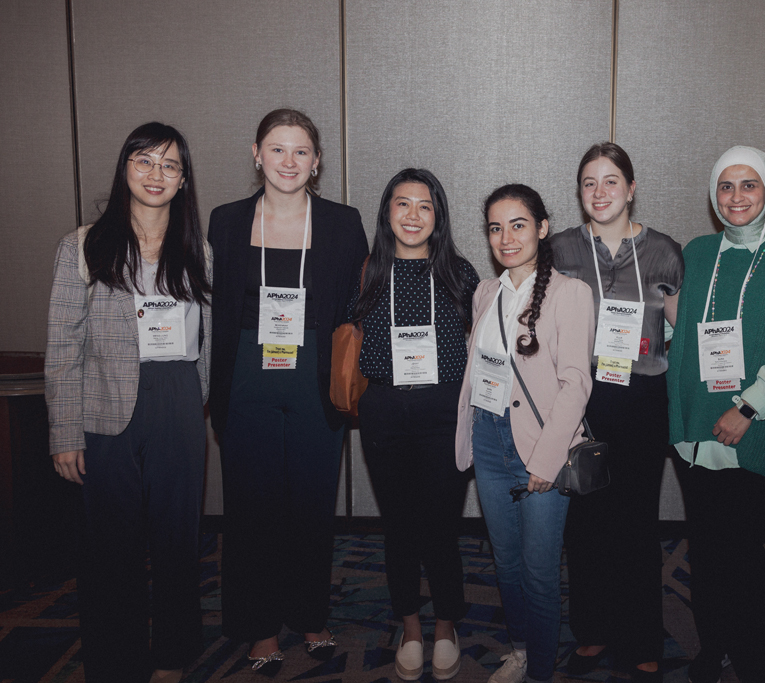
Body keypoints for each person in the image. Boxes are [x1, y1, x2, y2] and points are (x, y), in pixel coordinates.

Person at [45, 122, 211, 683]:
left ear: (184, 179)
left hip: (178, 399)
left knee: (177, 540)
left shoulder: (198, 249)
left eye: (169, 165)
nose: (156, 174)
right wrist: (65, 433)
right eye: (144, 161)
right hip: (106, 405)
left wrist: (195, 401)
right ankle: (114, 662)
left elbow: (207, 338)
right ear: (125, 171)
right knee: (108, 547)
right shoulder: (84, 245)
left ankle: (171, 656)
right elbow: (63, 344)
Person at [207, 109, 368, 669]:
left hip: (314, 374)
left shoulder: (343, 223)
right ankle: (258, 626)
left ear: (317, 161)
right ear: (256, 153)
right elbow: (212, 308)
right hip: (246, 374)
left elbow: (359, 302)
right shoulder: (225, 221)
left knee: (311, 503)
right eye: (277, 149)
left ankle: (309, 614)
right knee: (250, 506)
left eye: (301, 151)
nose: (289, 162)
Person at [665, 146, 765, 683]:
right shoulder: (696, 251)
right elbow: (682, 334)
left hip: (754, 422)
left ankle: (757, 657)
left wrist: (748, 407)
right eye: (726, 187)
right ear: (714, 195)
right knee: (708, 549)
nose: (736, 197)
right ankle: (713, 648)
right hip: (698, 428)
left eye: (749, 185)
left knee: (739, 547)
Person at [551, 142, 684, 682]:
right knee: (584, 522)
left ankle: (640, 635)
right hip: (581, 400)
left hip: (641, 401)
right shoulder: (560, 249)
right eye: (589, 182)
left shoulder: (663, 251)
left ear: (631, 188)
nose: (600, 192)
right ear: (579, 193)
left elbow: (683, 337)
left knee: (634, 521)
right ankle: (594, 628)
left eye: (611, 181)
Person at [455, 184, 595, 683]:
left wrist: (546, 460)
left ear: (542, 227)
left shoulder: (570, 293)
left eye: (518, 225)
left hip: (542, 448)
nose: (506, 237)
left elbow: (576, 383)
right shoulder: (485, 292)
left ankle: (539, 671)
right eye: (496, 227)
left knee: (538, 572)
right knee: (506, 562)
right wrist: (470, 436)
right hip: (491, 442)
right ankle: (520, 648)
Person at [349, 168, 479, 680]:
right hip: (384, 411)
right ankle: (410, 626)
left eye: (424, 206)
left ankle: (445, 624)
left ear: (438, 216)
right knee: (398, 525)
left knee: (442, 526)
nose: (412, 215)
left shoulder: (460, 273)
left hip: (445, 413)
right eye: (402, 204)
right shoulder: (366, 273)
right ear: (387, 212)